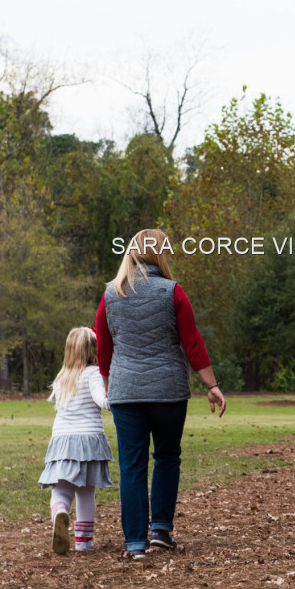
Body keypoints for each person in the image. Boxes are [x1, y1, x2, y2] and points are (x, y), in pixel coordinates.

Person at [95, 228, 226, 558]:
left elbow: (104, 347)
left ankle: (135, 544)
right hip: (168, 391)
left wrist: (111, 387)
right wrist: (211, 385)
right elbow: (192, 342)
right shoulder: (173, 292)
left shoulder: (111, 294)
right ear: (159, 254)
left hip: (126, 393)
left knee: (132, 466)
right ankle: (161, 532)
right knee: (167, 456)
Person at [38, 327, 114, 554]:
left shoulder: (62, 376)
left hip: (62, 440)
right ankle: (83, 542)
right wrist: (118, 395)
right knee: (86, 491)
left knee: (60, 489)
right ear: (93, 350)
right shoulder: (93, 374)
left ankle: (60, 511)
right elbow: (102, 401)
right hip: (88, 441)